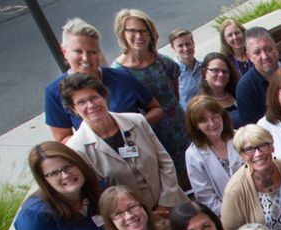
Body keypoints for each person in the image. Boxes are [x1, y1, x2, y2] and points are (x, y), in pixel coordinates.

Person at [62, 73, 187, 216]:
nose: (90, 105)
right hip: (132, 220)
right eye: (81, 102)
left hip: (173, 206)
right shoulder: (76, 148)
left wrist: (166, 203)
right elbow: (97, 194)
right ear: (74, 109)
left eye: (94, 97)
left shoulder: (137, 121)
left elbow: (164, 161)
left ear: (105, 97)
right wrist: (143, 215)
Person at [44, 18, 162, 144]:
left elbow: (156, 110)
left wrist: (132, 124)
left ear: (99, 52)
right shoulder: (54, 92)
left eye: (92, 52)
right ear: (64, 51)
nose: (85, 58)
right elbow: (62, 139)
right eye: (78, 51)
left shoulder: (122, 77)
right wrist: (98, 137)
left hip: (138, 148)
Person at [112, 9, 191, 178]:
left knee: (191, 173)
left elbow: (174, 94)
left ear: (150, 33)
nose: (138, 36)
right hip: (148, 134)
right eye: (132, 31)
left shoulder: (163, 61)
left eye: (143, 30)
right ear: (122, 33)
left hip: (179, 129)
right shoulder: (117, 72)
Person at [184, 96, 243, 214]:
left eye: (215, 116)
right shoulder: (193, 155)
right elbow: (206, 198)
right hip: (226, 216)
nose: (212, 123)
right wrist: (232, 215)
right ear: (196, 125)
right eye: (204, 120)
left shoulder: (240, 137)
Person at [199, 52, 241, 122]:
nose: (221, 74)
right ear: (204, 72)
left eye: (225, 71)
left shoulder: (238, 93)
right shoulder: (202, 105)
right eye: (215, 70)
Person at [169, 29, 203, 110]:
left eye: (188, 44)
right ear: (173, 48)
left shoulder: (204, 66)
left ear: (193, 44)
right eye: (180, 45)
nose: (185, 48)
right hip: (187, 118)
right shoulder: (171, 72)